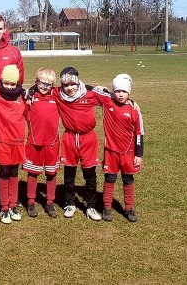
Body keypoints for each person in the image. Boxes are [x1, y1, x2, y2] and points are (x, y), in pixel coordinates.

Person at [53, 67, 104, 221]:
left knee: (90, 174)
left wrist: (131, 102)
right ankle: (70, 203)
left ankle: (91, 206)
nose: (70, 88)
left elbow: (111, 99)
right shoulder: (58, 95)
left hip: (88, 139)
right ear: (62, 85)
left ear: (78, 82)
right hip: (69, 138)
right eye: (66, 85)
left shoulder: (90, 95)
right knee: (69, 174)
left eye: (73, 84)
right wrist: (31, 91)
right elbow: (44, 86)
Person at [97, 74, 145, 223]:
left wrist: (139, 154)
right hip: (110, 151)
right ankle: (107, 208)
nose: (121, 94)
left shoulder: (134, 110)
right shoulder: (107, 102)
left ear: (129, 93)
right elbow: (90, 89)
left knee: (128, 180)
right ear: (113, 91)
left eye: (124, 92)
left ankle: (129, 208)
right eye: (117, 91)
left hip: (128, 153)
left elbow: (139, 134)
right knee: (109, 179)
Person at [0, 64, 27, 224]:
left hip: (18, 141)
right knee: (4, 172)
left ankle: (13, 205)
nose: (9, 87)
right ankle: (4, 208)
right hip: (3, 141)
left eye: (13, 84)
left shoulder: (22, 96)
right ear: (1, 81)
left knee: (14, 173)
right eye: (6, 83)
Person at [24, 68, 61, 218]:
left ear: (53, 85)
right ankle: (31, 201)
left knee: (51, 174)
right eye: (41, 83)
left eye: (48, 84)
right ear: (36, 82)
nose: (44, 87)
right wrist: (31, 91)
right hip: (34, 142)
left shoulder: (57, 97)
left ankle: (50, 202)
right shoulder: (29, 98)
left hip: (52, 143)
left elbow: (73, 89)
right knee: (33, 173)